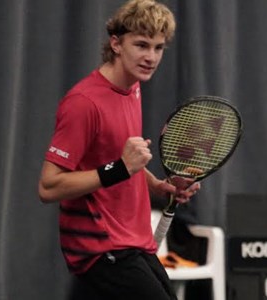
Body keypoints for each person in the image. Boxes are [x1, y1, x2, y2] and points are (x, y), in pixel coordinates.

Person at [38, 1, 199, 299]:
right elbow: (48, 187)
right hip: (101, 248)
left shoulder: (133, 87)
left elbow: (115, 158)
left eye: (158, 48)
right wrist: (121, 168)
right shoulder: (84, 103)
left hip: (133, 242)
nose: (150, 57)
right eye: (141, 45)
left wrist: (157, 185)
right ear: (116, 43)